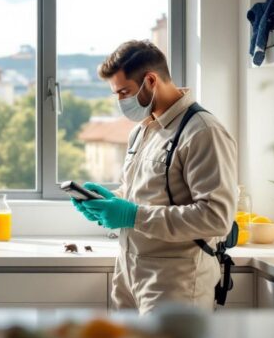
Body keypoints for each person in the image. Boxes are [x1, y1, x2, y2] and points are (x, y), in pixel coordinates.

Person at [71, 40, 237, 314]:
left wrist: (131, 215)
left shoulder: (202, 132)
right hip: (129, 274)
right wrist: (108, 202)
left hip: (176, 282)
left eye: (124, 92)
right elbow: (142, 194)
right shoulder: (141, 131)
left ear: (150, 80)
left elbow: (216, 217)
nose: (120, 102)